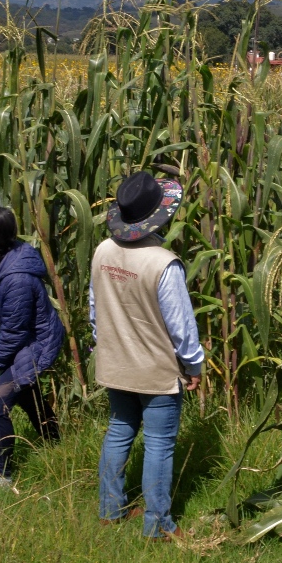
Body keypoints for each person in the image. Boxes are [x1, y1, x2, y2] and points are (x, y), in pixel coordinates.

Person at [90, 171, 204, 540]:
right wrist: (194, 365)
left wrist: (107, 347)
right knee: (158, 443)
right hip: (155, 372)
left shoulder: (103, 251)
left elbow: (96, 313)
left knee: (119, 430)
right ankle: (158, 524)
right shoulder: (163, 263)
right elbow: (182, 328)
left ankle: (110, 510)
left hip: (115, 363)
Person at [0, 206, 64, 494]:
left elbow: (16, 331)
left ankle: (2, 476)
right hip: (13, 344)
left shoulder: (17, 277)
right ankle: (58, 447)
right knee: (27, 394)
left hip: (31, 346)